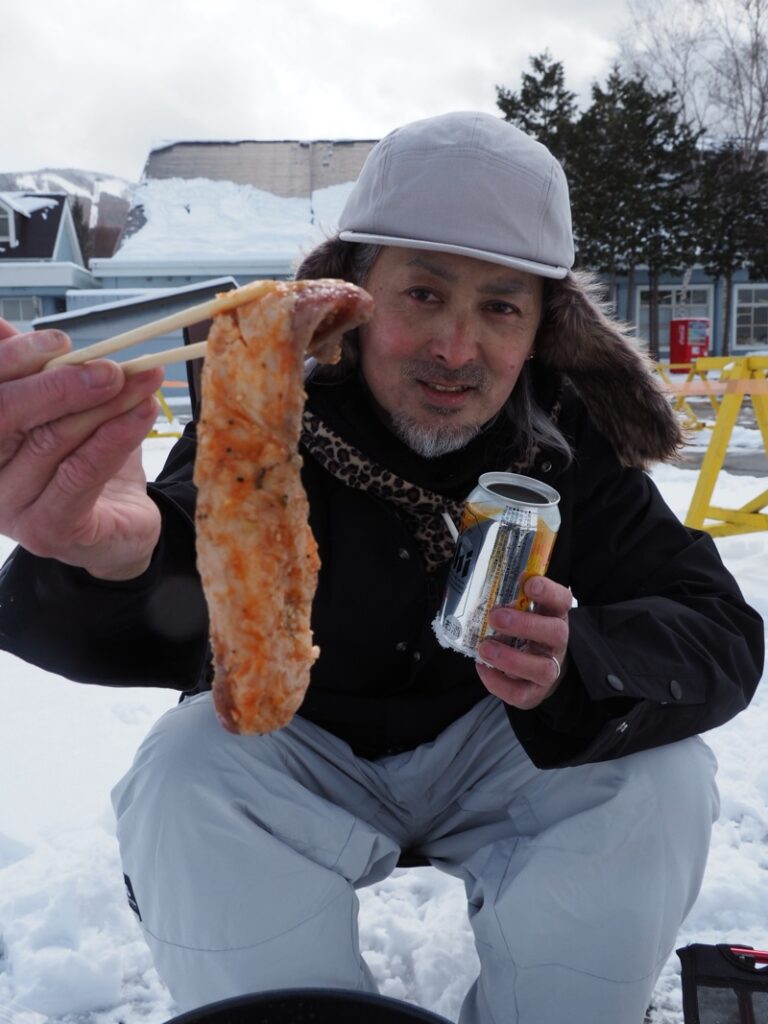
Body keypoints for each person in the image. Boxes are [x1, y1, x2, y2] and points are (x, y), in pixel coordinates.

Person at [0, 111, 763, 1024]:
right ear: (356, 294)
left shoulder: (569, 443)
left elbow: (719, 631)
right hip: (305, 746)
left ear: (541, 331)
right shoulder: (266, 415)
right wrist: (112, 561)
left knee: (660, 778)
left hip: (503, 747)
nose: (456, 348)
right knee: (182, 771)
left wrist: (581, 660)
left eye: (501, 307)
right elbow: (175, 563)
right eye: (423, 294)